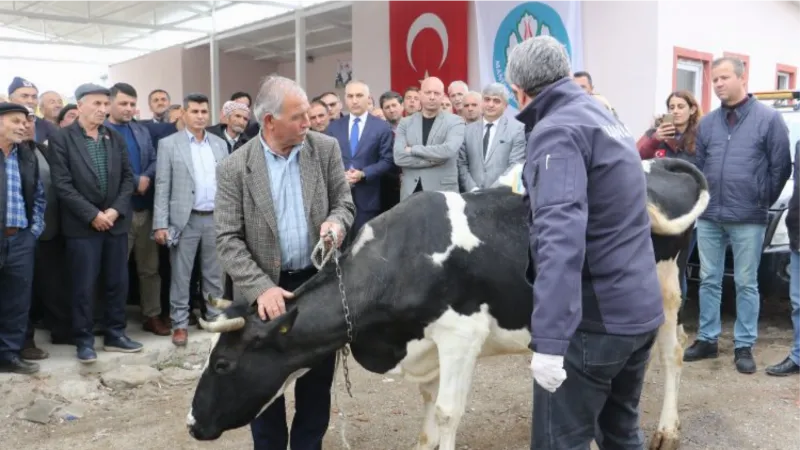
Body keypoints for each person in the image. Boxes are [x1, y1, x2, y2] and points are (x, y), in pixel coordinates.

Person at [507, 36, 665, 449]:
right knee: (620, 433)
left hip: (596, 320)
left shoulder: (557, 129)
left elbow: (559, 238)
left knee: (560, 441)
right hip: (638, 309)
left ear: (518, 90)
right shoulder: (602, 114)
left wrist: (551, 341)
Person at [215, 75, 354, 450]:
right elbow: (227, 239)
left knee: (315, 381)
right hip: (263, 290)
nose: (308, 123)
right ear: (269, 121)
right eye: (298, 117)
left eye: (308, 115)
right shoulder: (234, 168)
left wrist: (335, 224)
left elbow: (344, 201)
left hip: (315, 287)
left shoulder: (324, 149)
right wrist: (261, 288)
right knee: (264, 383)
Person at [684, 57, 792, 374]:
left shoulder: (768, 119)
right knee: (708, 279)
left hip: (748, 216)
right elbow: (700, 165)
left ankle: (743, 345)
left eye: (724, 77)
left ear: (741, 78)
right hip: (710, 215)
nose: (717, 83)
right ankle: (707, 339)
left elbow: (780, 166)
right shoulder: (708, 123)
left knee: (746, 283)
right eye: (714, 79)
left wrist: (761, 199)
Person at [49, 84, 143, 363]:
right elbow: (62, 185)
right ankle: (84, 339)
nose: (103, 109)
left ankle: (116, 334)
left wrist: (114, 211)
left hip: (116, 223)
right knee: (83, 285)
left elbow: (128, 178)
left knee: (117, 282)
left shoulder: (114, 138)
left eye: (105, 104)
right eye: (97, 104)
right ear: (79, 106)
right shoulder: (62, 139)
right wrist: (92, 214)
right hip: (82, 226)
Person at [153, 93, 228, 347]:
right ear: (183, 114)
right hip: (184, 220)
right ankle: (180, 323)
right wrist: (160, 224)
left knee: (214, 274)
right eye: (194, 111)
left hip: (215, 217)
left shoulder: (219, 144)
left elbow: (226, 184)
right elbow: (162, 185)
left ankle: (214, 316)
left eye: (203, 111)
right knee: (181, 275)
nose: (199, 116)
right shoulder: (169, 144)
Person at [0, 103, 46, 374]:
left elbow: (39, 197)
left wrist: (34, 231)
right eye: (15, 121)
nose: (23, 126)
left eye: (25, 121)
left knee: (17, 301)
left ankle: (9, 355)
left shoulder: (26, 155)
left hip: (20, 240)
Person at [326, 80, 394, 240]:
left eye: (359, 95)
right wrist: (340, 175)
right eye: (350, 96)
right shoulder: (334, 127)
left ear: (368, 98)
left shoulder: (381, 127)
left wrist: (363, 173)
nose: (354, 100)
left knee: (364, 246)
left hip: (368, 198)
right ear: (345, 99)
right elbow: (327, 160)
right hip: (339, 198)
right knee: (339, 246)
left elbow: (387, 161)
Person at [393, 76, 466, 200]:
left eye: (436, 93)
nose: (432, 97)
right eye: (428, 92)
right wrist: (436, 160)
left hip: (443, 194)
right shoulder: (405, 123)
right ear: (420, 94)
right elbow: (399, 157)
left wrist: (413, 149)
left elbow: (448, 151)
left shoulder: (456, 121)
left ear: (442, 96)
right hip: (411, 193)